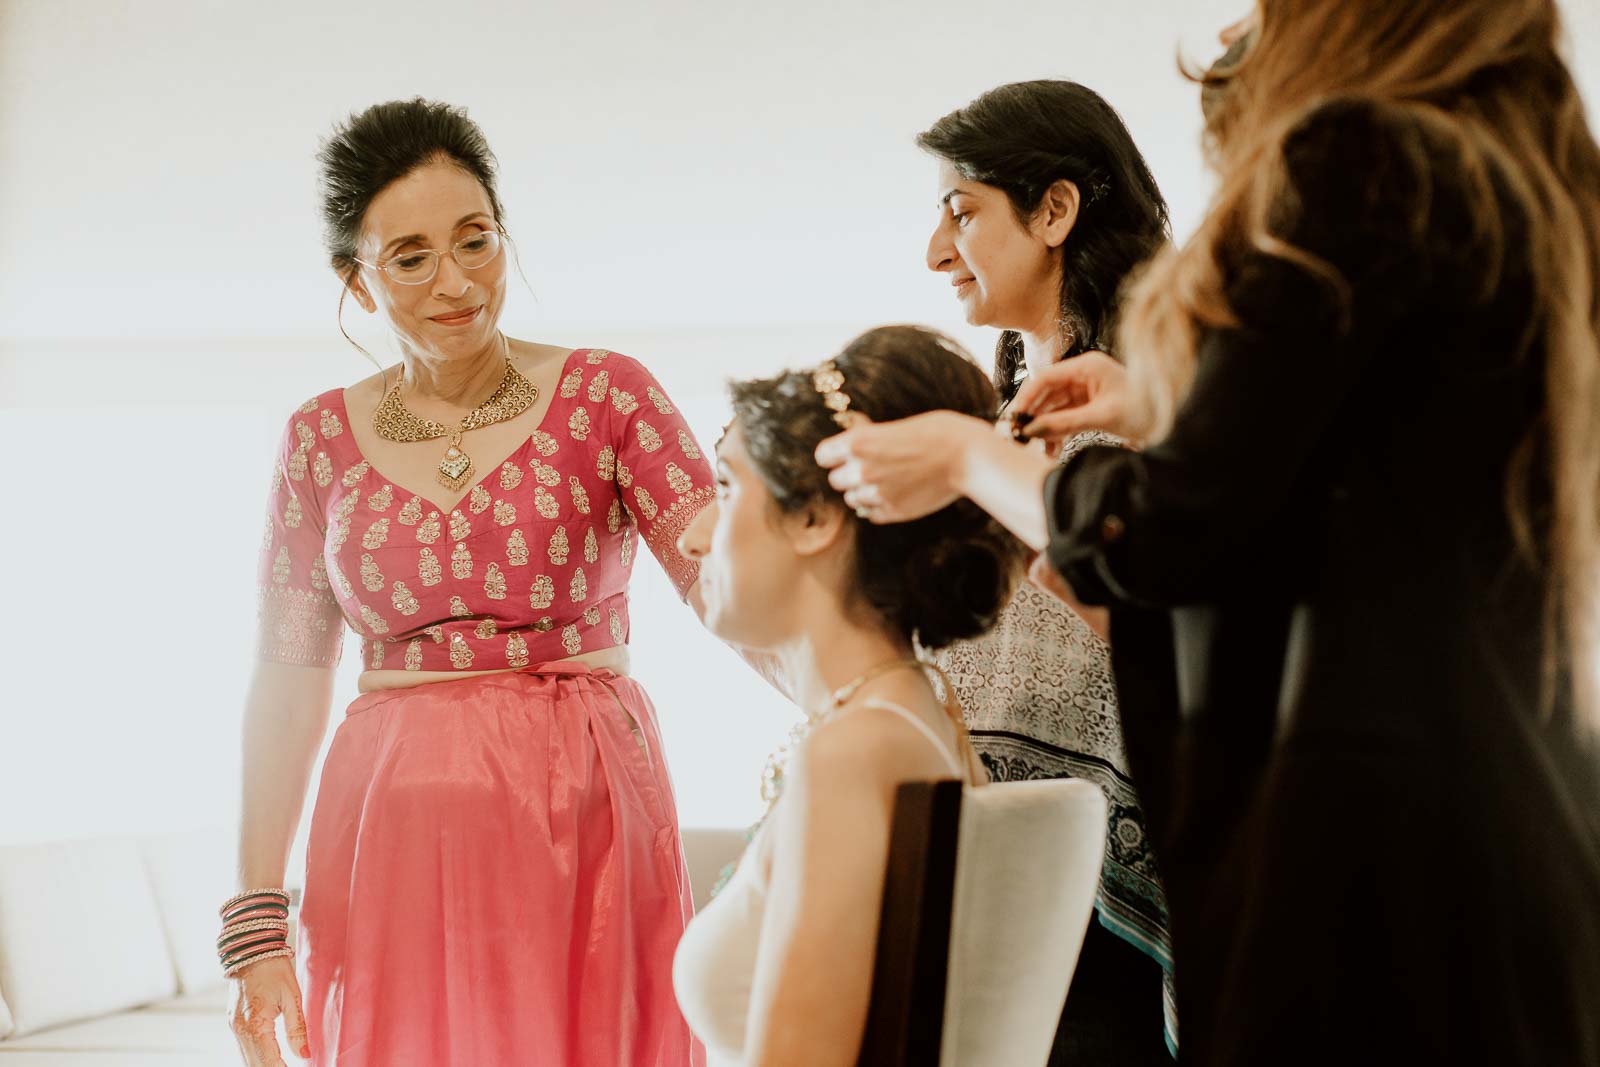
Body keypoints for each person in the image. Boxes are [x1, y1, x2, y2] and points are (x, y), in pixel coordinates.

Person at [816, 3, 1600, 1062]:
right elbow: (1360, 496)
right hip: (1521, 814)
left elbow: (1155, 545)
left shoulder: (1359, 154)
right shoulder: (1526, 186)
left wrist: (967, 455)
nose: (1239, 26)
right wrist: (1159, 406)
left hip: (1364, 849)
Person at [228, 98, 716, 1067]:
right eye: (409, 256)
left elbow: (738, 588)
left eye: (475, 241)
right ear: (356, 283)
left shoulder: (609, 393)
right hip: (387, 829)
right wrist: (254, 920)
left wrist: (869, 702)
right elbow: (287, 677)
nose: (455, 281)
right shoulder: (316, 438)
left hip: (586, 810)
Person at [671, 326, 1025, 1066]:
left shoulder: (855, 749)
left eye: (728, 486)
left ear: (814, 518)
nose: (694, 535)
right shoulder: (913, 710)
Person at [915, 81, 1175, 1061]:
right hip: (972, 882)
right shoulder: (981, 437)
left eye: (961, 212)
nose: (936, 251)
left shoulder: (1164, 421)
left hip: (1101, 923)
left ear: (1056, 210)